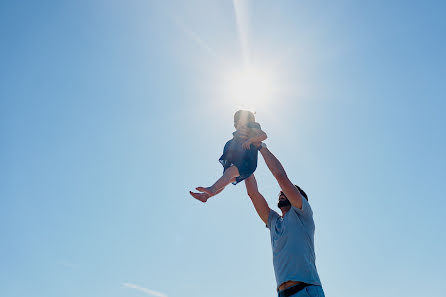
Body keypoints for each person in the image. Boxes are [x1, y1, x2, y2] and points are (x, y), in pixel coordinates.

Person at [244, 142, 325, 297]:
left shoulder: (303, 215)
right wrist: (246, 163)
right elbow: (253, 193)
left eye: (286, 191)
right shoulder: (274, 221)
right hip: (283, 293)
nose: (281, 191)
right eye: (280, 192)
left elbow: (280, 176)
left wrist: (260, 146)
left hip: (306, 290)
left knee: (282, 180)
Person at [190, 110, 267, 203]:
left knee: (229, 174)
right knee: (228, 177)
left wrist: (251, 140)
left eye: (240, 119)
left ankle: (212, 189)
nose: (238, 123)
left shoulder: (252, 126)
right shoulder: (239, 132)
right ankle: (205, 196)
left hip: (246, 160)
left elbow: (263, 135)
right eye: (236, 122)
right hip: (238, 157)